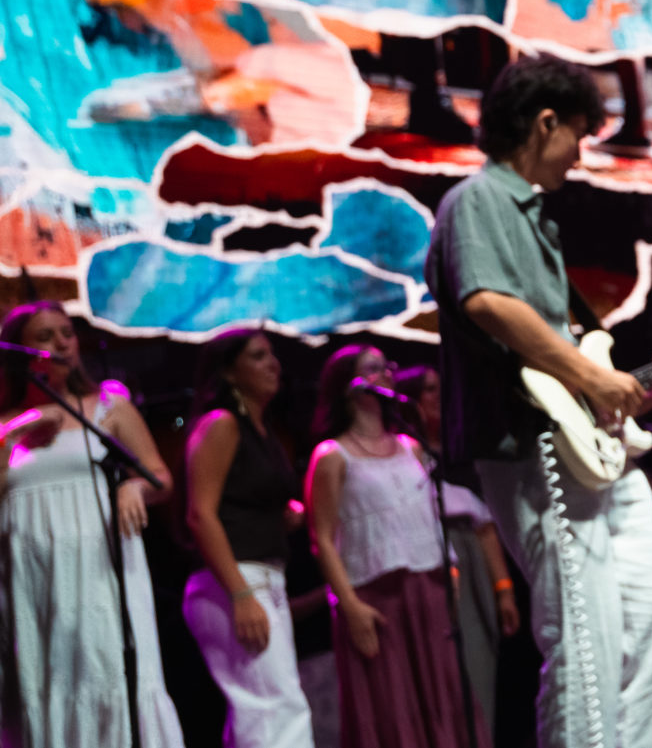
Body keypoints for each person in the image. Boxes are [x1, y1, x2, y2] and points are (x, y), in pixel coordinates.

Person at [423, 52, 652, 748]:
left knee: (647, 624)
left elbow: (559, 349)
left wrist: (617, 390)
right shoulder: (477, 199)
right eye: (578, 134)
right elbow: (486, 301)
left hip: (585, 448)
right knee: (585, 638)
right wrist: (594, 381)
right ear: (544, 122)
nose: (579, 153)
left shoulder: (536, 218)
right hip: (530, 446)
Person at [0, 302, 186, 747]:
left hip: (101, 568)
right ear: (19, 352)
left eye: (66, 333)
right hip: (33, 575)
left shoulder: (108, 407)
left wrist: (133, 487)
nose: (61, 344)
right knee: (44, 674)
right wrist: (18, 430)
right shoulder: (5, 425)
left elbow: (160, 477)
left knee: (106, 666)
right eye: (44, 337)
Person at [305, 344, 485, 748]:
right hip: (377, 598)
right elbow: (323, 540)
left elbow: (429, 515)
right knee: (393, 702)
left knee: (443, 694)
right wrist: (349, 606)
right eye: (373, 368)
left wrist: (451, 568)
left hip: (428, 588)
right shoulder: (332, 455)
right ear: (348, 386)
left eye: (388, 366)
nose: (386, 373)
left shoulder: (410, 445)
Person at [181, 327, 317, 748]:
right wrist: (241, 594)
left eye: (272, 355)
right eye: (258, 356)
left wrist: (283, 514)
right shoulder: (221, 424)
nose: (273, 364)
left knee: (266, 708)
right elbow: (200, 514)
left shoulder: (261, 431)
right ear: (228, 372)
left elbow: (241, 499)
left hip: (261, 576)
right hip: (234, 580)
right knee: (275, 707)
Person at [394, 364, 520, 745]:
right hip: (435, 554)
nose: (441, 396)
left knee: (484, 657)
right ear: (412, 401)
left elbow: (484, 524)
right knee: (453, 668)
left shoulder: (460, 447)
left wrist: (503, 588)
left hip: (473, 552)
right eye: (430, 390)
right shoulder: (405, 452)